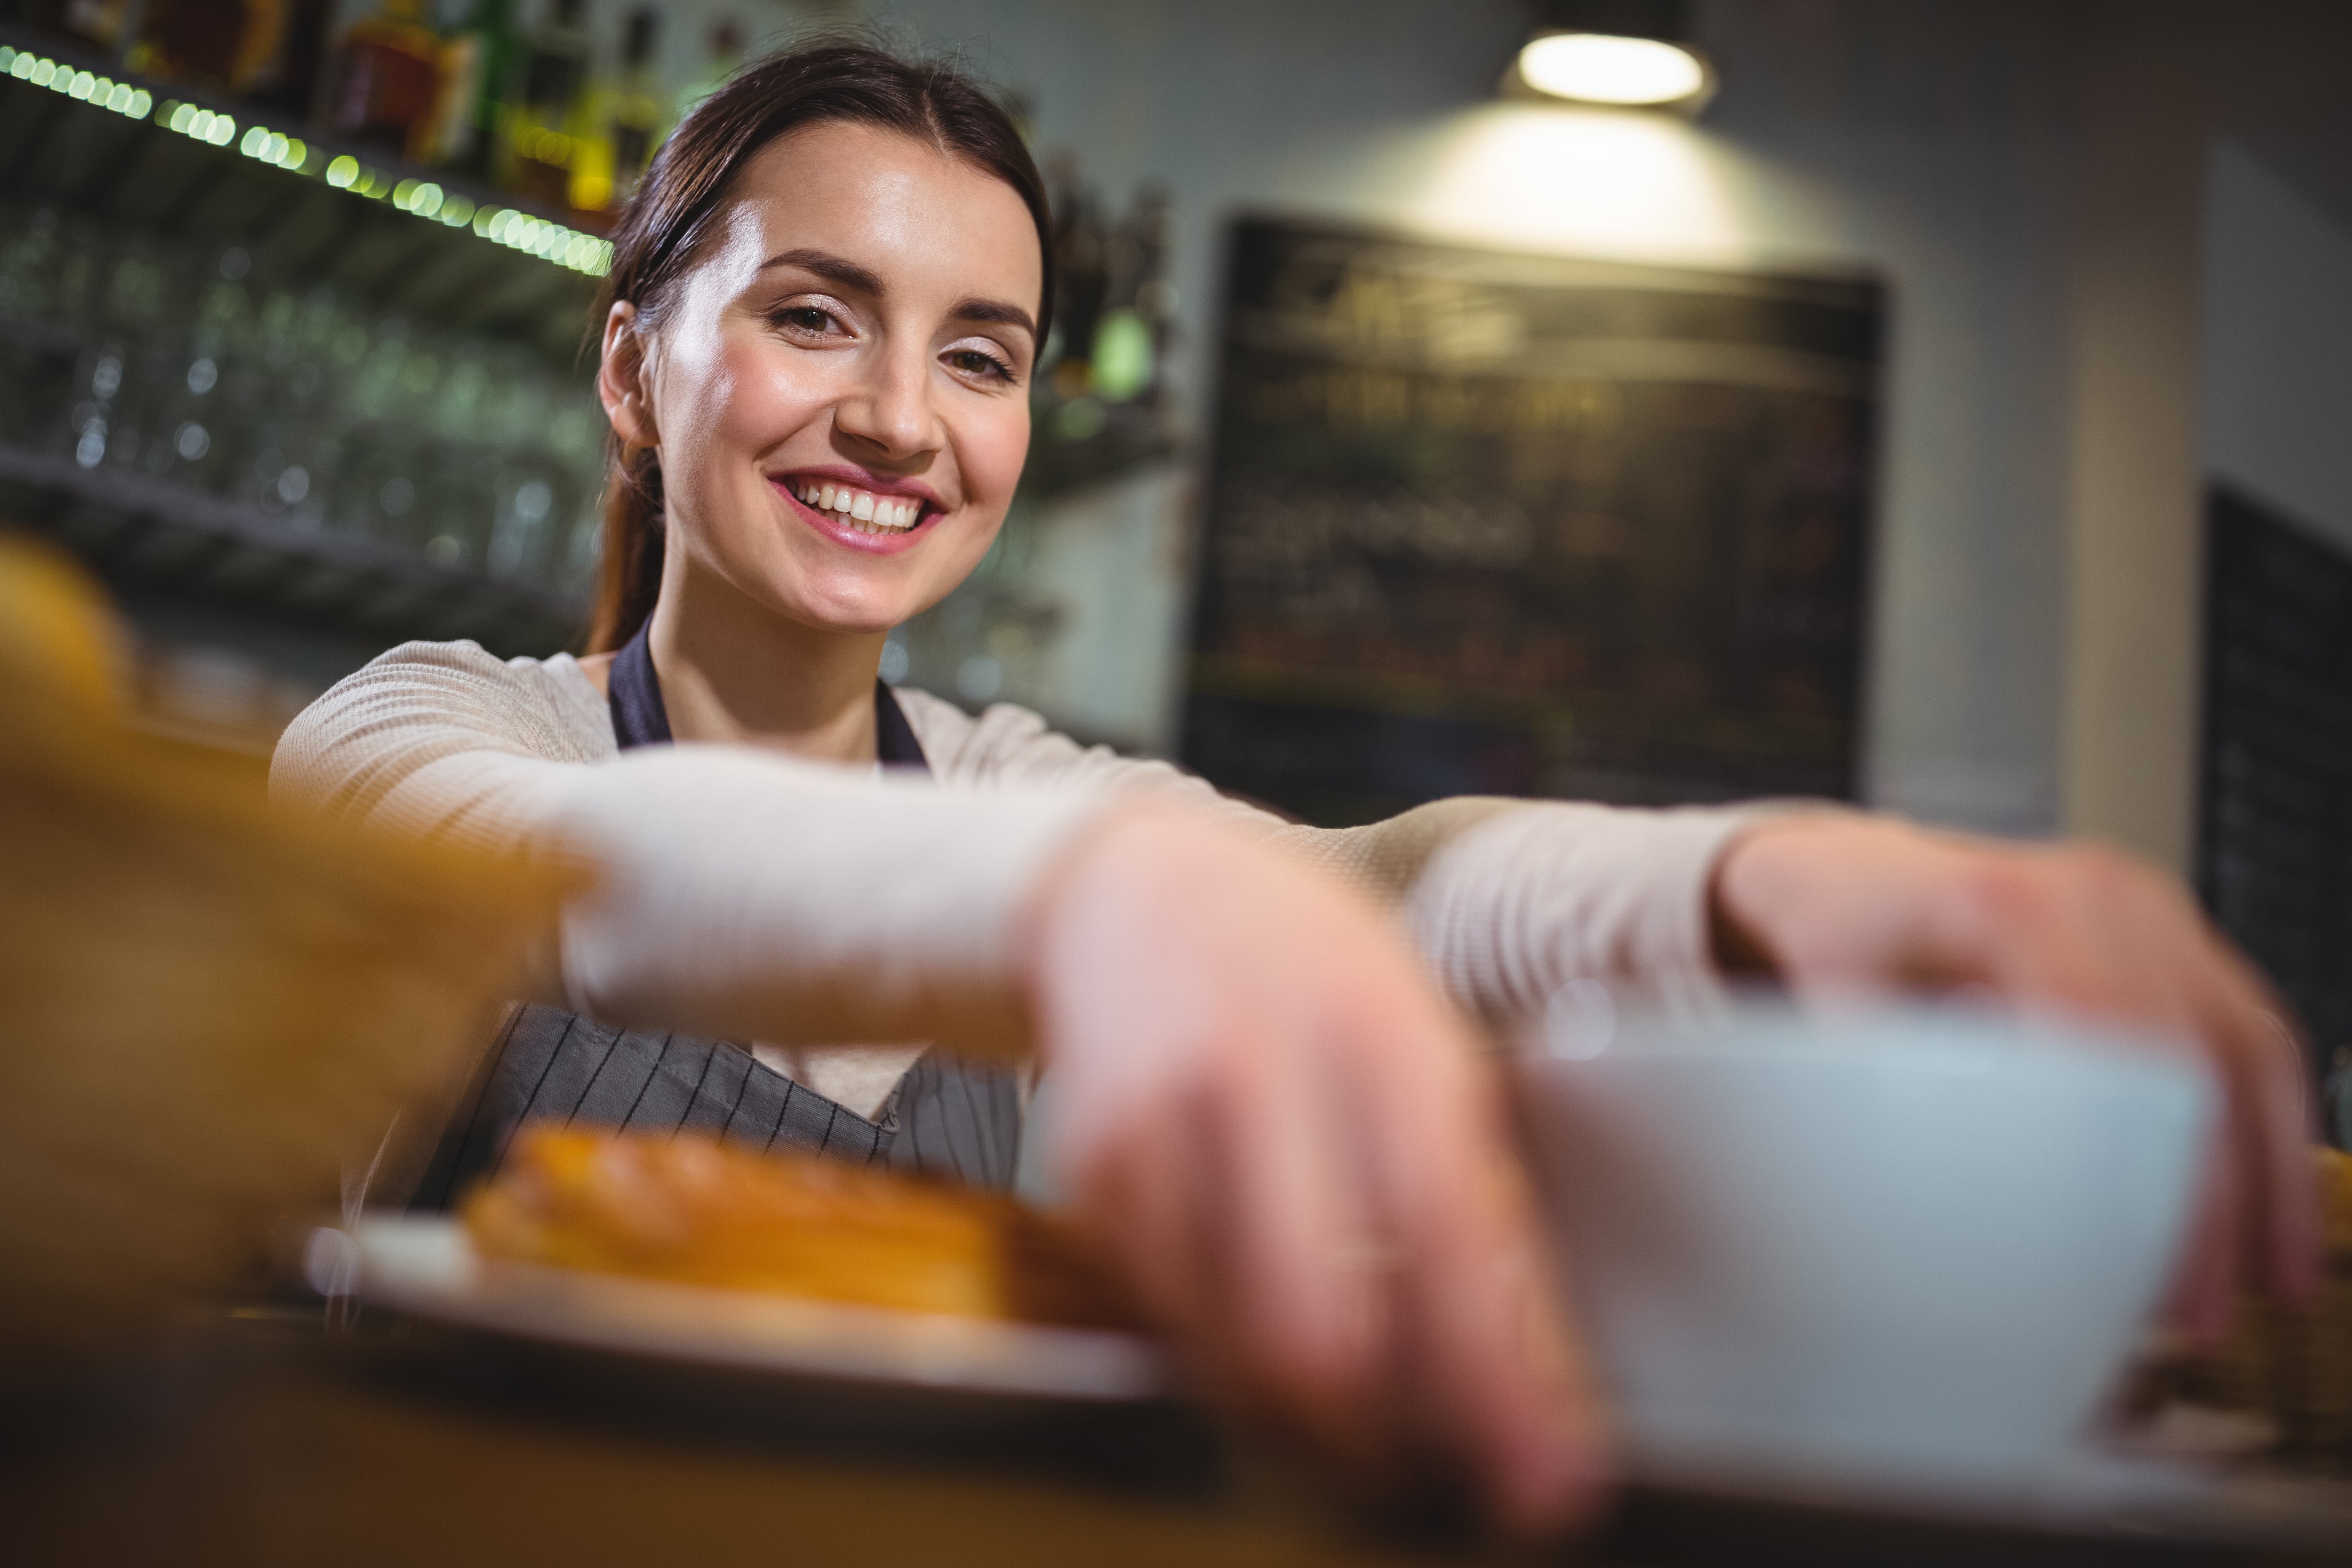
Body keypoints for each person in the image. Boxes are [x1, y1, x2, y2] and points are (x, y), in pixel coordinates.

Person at [272, 40, 2318, 1534]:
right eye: (817, 318)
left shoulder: (1016, 788)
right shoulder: (431, 736)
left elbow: (1392, 883)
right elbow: (589, 869)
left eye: (981, 355)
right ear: (634, 372)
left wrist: (1752, 878)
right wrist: (1080, 905)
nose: (899, 419)